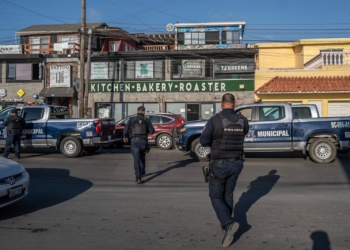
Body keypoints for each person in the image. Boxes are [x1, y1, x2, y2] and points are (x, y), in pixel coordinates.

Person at [199, 93, 249, 248]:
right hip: (237, 163)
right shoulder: (243, 120)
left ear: (222, 104)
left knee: (215, 195)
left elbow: (203, 140)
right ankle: (227, 223)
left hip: (220, 163)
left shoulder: (215, 120)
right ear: (234, 104)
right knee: (228, 194)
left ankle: (227, 224)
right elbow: (244, 133)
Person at [123, 106, 155, 184]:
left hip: (135, 141)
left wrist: (125, 136)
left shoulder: (132, 119)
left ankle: (138, 178)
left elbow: (126, 129)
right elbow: (151, 131)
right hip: (143, 142)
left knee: (136, 160)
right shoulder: (146, 120)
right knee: (142, 158)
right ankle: (142, 171)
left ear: (137, 111)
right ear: (144, 112)